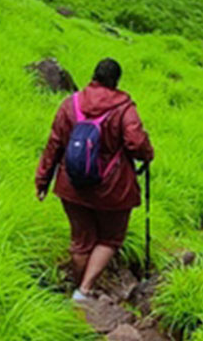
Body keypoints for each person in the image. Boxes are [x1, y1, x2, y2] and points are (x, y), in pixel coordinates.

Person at [36, 58, 154, 301]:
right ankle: (85, 290)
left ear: (93, 76)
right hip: (113, 189)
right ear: (115, 81)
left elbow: (54, 144)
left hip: (72, 185)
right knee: (110, 238)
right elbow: (136, 143)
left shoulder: (70, 104)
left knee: (81, 240)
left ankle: (78, 290)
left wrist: (42, 180)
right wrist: (148, 154)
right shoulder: (124, 108)